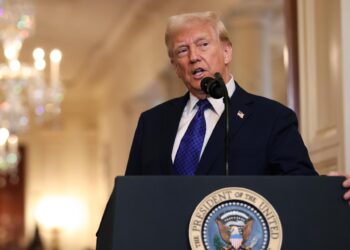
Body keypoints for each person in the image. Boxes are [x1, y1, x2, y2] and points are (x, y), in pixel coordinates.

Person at [125, 11, 350, 203]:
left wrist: (331, 191)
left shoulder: (272, 118)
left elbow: (300, 188)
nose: (194, 57)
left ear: (226, 52)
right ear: (175, 66)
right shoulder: (152, 123)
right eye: (182, 51)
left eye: (203, 44)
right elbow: (130, 199)